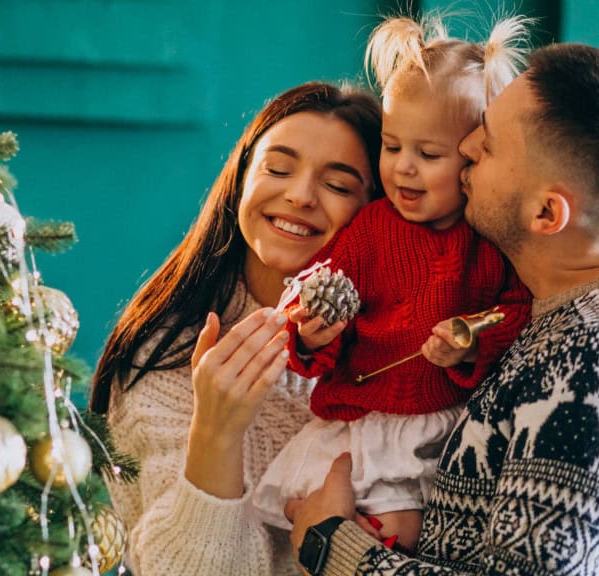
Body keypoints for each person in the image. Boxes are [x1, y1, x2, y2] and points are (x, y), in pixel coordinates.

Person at [285, 43, 599, 576]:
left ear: (545, 211)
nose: (464, 145)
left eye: (486, 146)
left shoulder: (596, 370)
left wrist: (331, 545)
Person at [252, 14, 533, 553]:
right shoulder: (372, 228)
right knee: (297, 501)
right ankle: (320, 530)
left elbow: (516, 309)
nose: (403, 168)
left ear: (474, 158)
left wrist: (472, 337)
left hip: (438, 428)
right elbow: (318, 282)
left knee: (404, 529)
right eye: (392, 145)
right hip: (363, 418)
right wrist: (311, 329)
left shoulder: (490, 240)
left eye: (428, 155)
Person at [89, 81, 384, 575]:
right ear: (242, 177)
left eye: (337, 185)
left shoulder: (400, 351)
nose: (299, 195)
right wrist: (217, 432)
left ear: (375, 210)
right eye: (278, 168)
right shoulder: (164, 355)